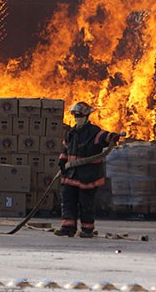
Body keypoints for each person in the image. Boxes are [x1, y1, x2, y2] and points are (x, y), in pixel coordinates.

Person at [54, 101, 120, 238]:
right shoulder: (71, 133)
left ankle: (87, 230)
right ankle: (67, 228)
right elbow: (66, 149)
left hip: (87, 176)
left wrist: (112, 137)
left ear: (86, 116)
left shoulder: (94, 132)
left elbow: (105, 137)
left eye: (80, 116)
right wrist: (62, 160)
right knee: (68, 201)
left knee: (86, 204)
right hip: (71, 175)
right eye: (75, 116)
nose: (77, 118)